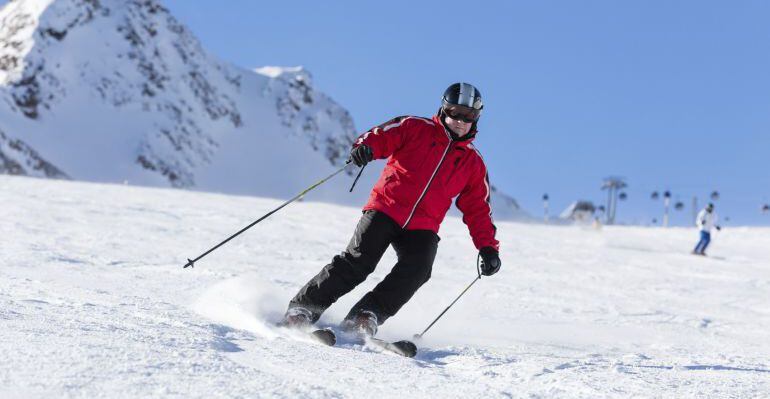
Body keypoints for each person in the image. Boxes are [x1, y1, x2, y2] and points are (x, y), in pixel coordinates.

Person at [280, 82, 501, 336]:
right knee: (358, 262)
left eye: (468, 116)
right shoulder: (414, 127)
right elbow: (380, 136)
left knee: (418, 269)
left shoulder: (473, 163)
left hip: (423, 225)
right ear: (443, 109)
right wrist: (365, 148)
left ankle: (365, 315)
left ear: (476, 118)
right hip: (386, 208)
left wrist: (487, 248)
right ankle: (303, 309)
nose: (460, 121)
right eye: (454, 112)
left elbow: (478, 210)